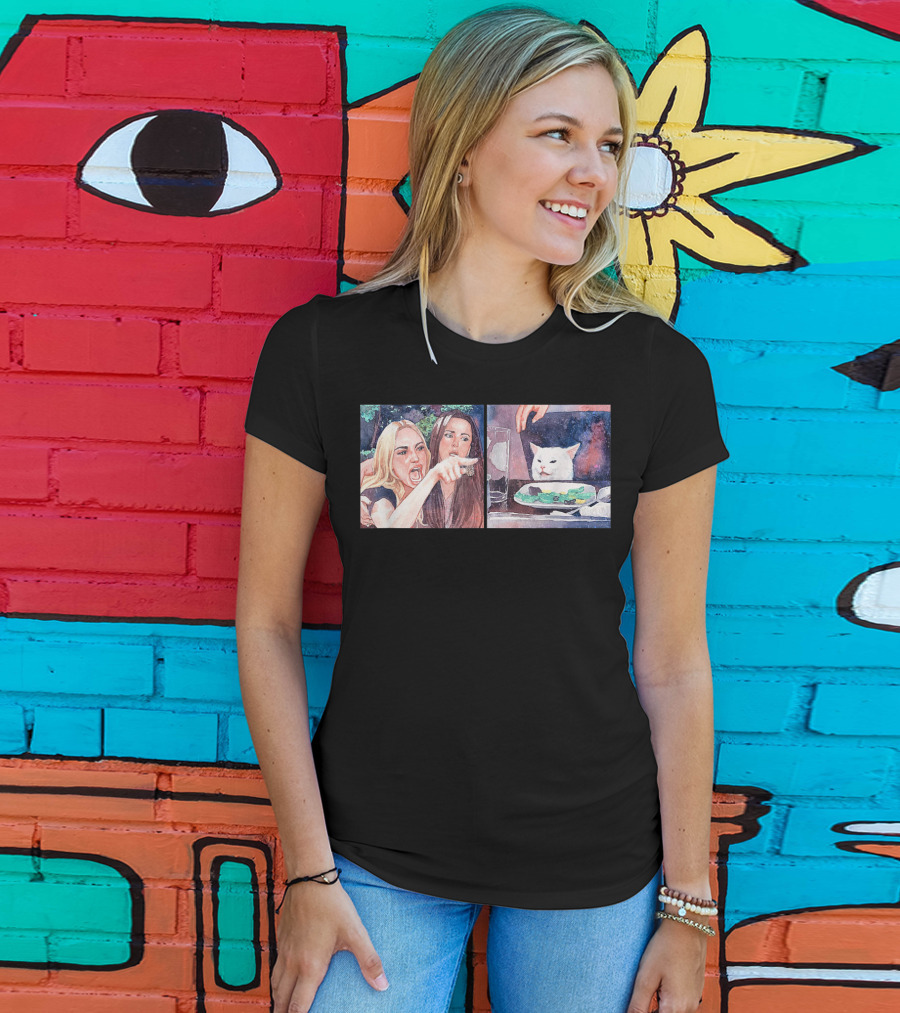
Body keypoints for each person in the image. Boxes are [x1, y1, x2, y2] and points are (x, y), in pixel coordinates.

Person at [237, 6, 729, 1013]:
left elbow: (675, 660)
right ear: (461, 149)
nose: (592, 172)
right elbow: (267, 621)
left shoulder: (654, 368)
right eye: (557, 134)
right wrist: (307, 868)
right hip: (372, 852)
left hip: (590, 859)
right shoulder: (323, 351)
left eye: (608, 144)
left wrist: (689, 905)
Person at [360, 410, 485, 528]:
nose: (456, 443)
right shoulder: (382, 494)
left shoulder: (475, 485)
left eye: (420, 448)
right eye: (448, 435)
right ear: (437, 440)